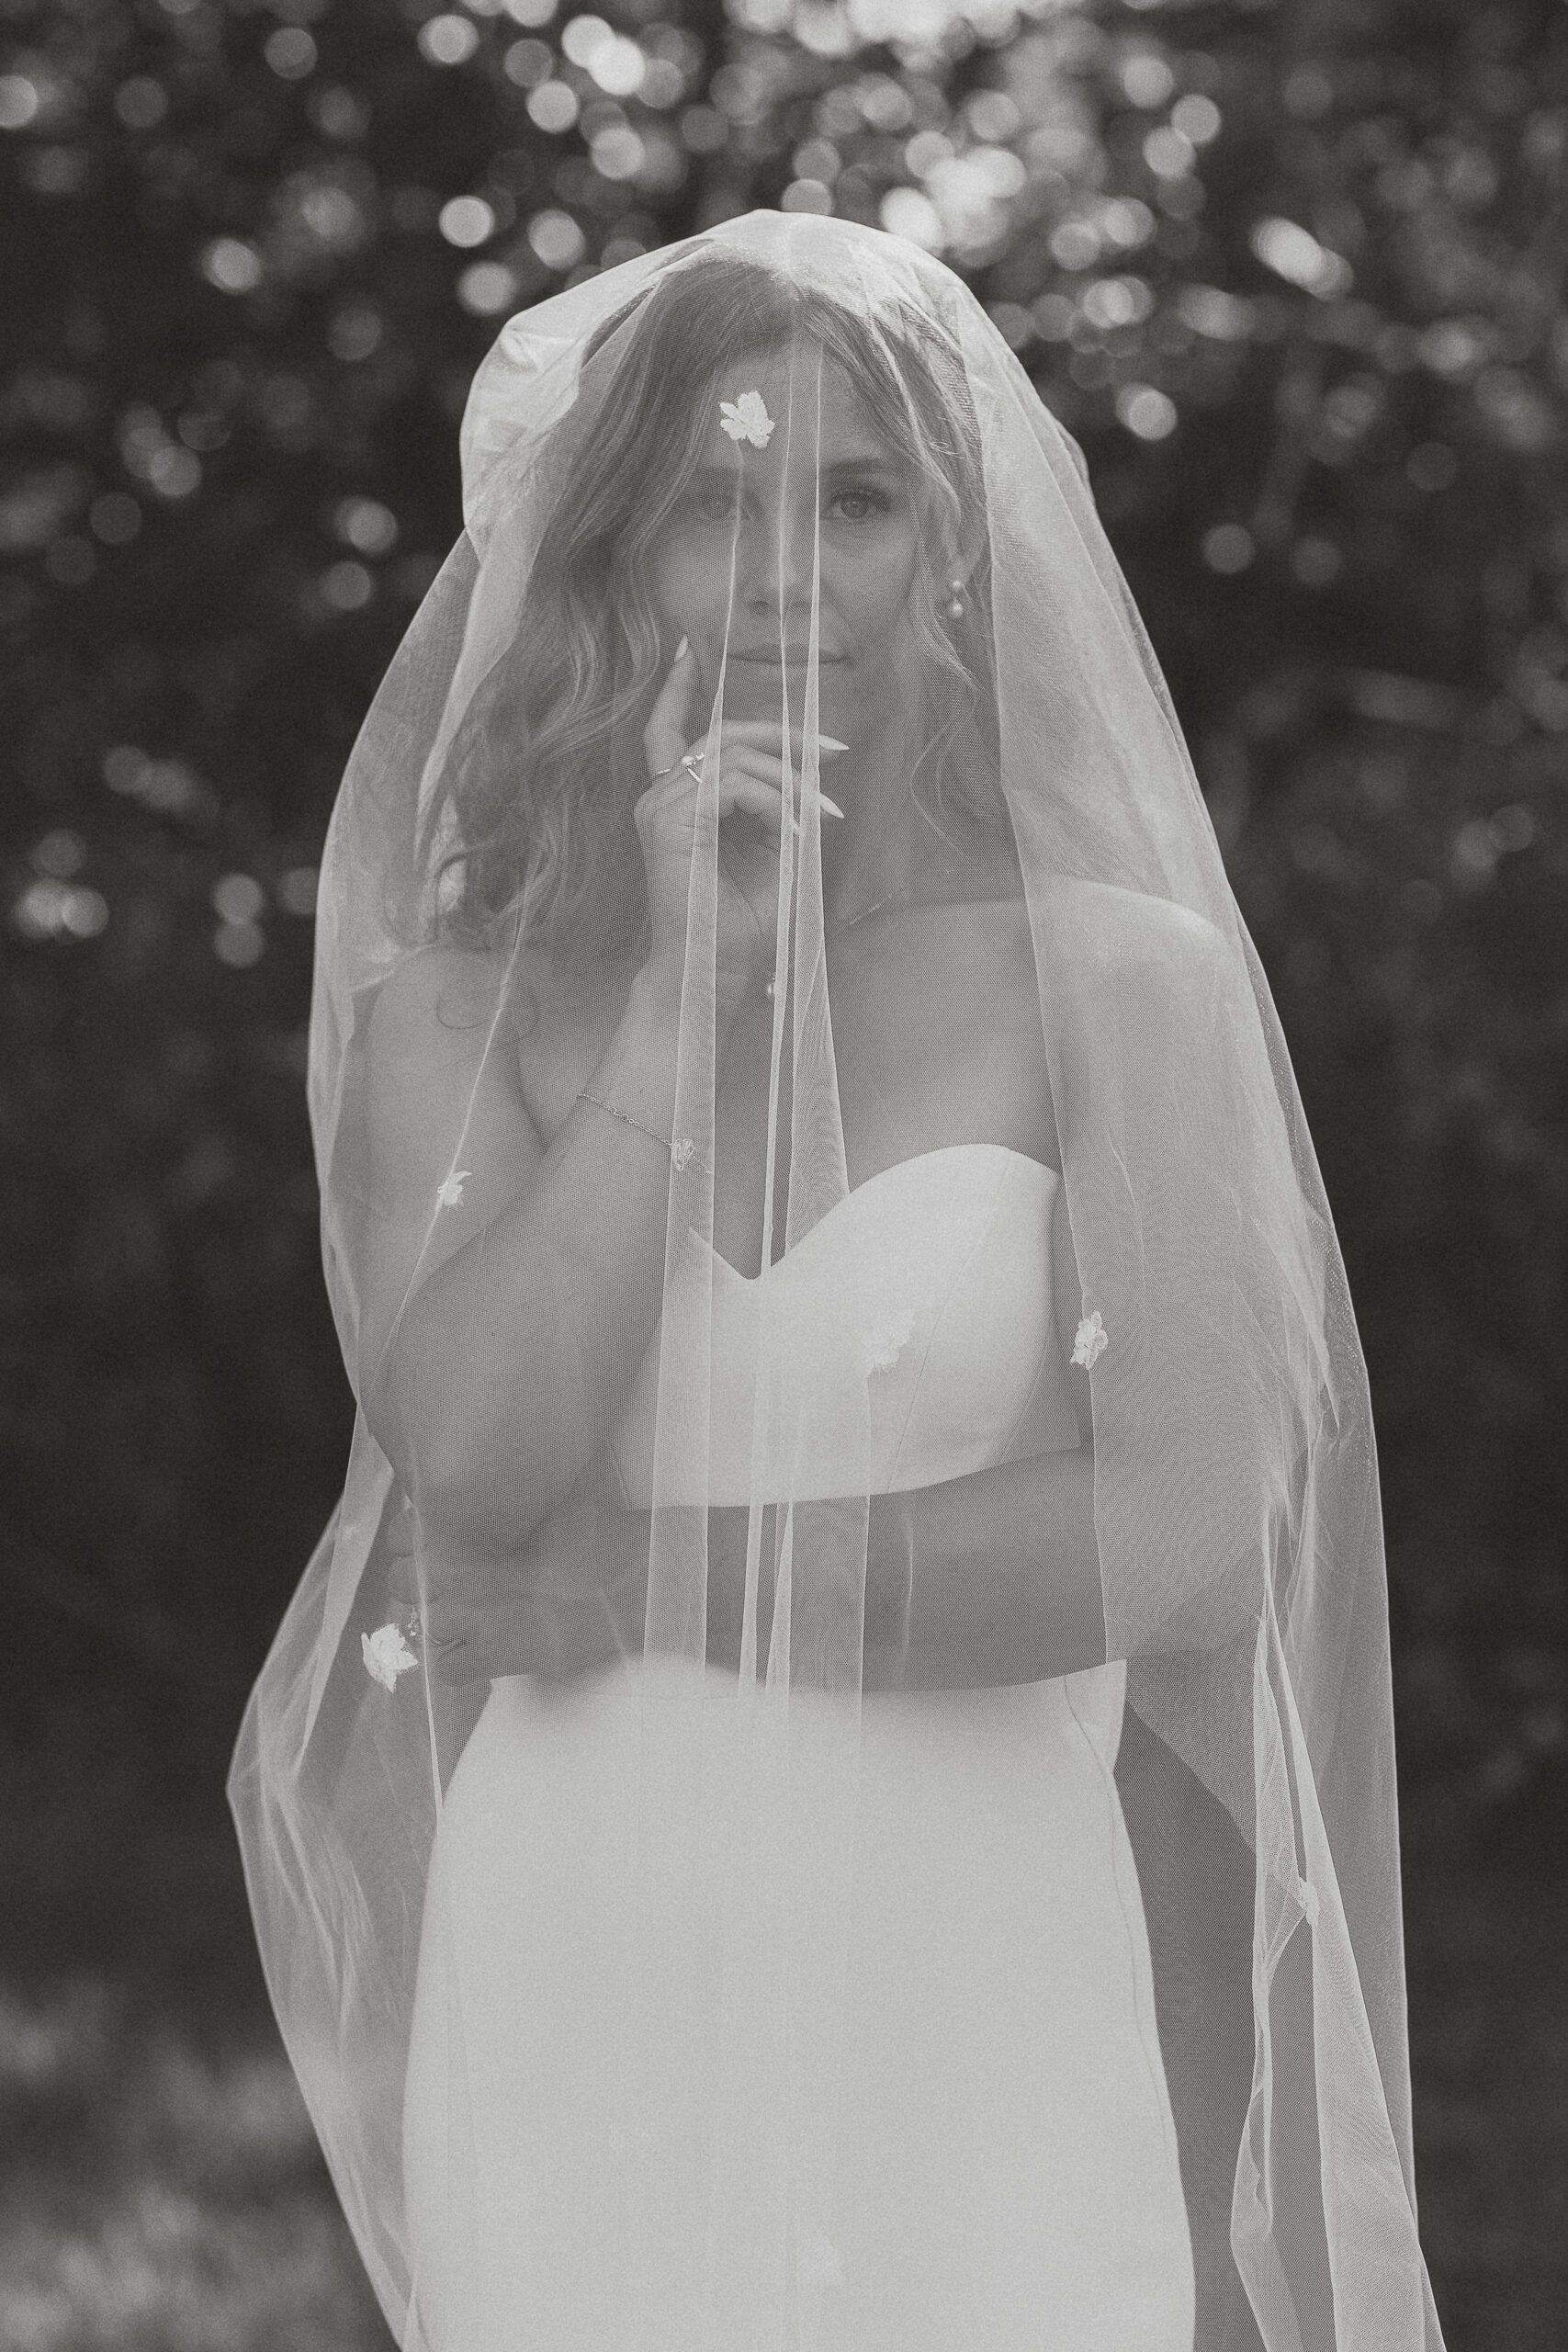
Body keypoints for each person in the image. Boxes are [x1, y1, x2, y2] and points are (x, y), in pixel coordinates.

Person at [230, 211, 1447, 2352]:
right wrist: (673, 1015)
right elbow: (483, 1462)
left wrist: (643, 1592)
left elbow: (1172, 1539)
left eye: (857, 501)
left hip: (976, 1953)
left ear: (949, 554)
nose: (789, 572)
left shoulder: (1113, 986)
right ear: (608, 558)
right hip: (577, 1958)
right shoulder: (460, 1018)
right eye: (713, 501)